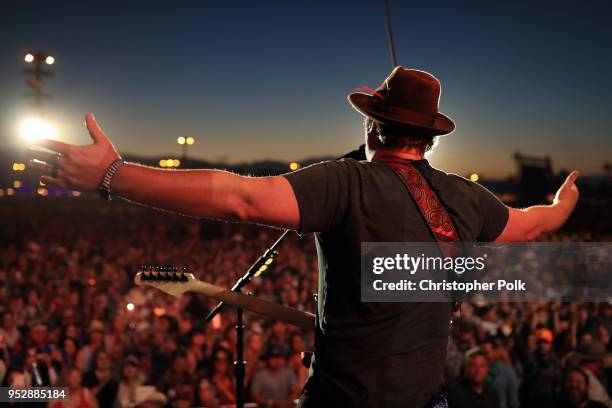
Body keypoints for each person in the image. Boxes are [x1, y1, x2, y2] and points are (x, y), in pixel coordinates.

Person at [28, 66, 581, 407]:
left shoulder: (347, 183)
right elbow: (536, 222)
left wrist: (112, 176)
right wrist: (563, 204)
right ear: (428, 139)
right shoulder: (468, 198)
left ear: (372, 127)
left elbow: (237, 197)